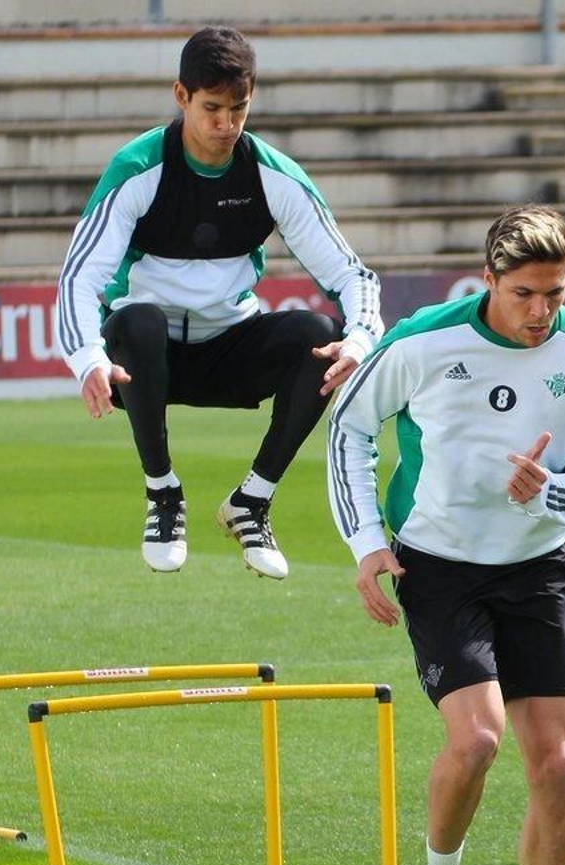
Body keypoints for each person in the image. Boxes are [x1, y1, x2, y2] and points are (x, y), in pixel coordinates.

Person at [327, 205, 565, 865]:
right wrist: (365, 542)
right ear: (488, 280)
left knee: (557, 767)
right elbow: (348, 429)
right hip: (440, 565)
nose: (541, 311)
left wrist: (550, 490)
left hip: (536, 570)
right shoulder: (423, 342)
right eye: (525, 292)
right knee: (477, 738)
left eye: (555, 293)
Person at [56, 26, 383, 579]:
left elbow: (353, 275)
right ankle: (163, 495)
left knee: (318, 334)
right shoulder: (138, 167)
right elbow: (77, 281)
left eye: (239, 109)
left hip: (231, 351)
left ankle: (251, 502)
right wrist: (87, 359)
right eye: (211, 108)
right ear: (181, 96)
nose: (225, 125)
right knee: (134, 321)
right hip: (145, 361)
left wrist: (360, 339)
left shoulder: (272, 175)